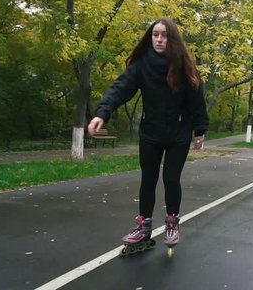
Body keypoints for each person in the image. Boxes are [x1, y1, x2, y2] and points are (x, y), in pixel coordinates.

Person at [87, 19, 208, 254]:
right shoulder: (142, 65)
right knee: (148, 179)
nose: (159, 39)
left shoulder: (184, 66)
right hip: (151, 132)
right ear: (150, 37)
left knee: (171, 179)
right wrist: (102, 113)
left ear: (171, 39)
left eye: (164, 35)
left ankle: (172, 222)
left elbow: (197, 101)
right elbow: (120, 88)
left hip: (178, 134)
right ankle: (143, 225)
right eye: (155, 35)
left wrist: (199, 131)